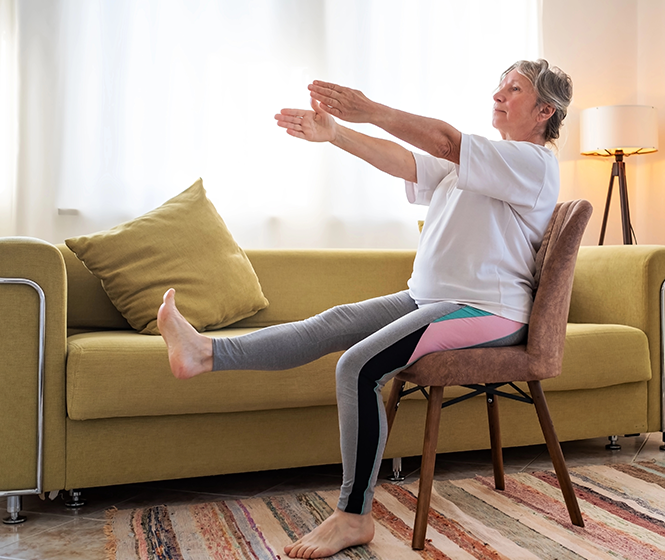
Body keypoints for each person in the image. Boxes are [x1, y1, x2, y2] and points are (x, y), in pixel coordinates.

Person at [157, 59, 572, 559]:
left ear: (544, 110)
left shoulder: (532, 163)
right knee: (332, 325)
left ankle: (353, 516)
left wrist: (369, 110)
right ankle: (204, 354)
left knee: (356, 367)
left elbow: (443, 141)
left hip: (487, 309)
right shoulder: (484, 161)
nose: (499, 94)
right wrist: (336, 134)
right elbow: (408, 161)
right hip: (431, 299)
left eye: (514, 89)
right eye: (500, 85)